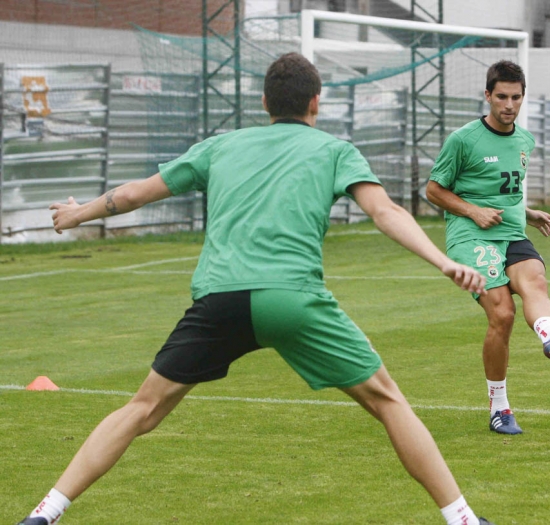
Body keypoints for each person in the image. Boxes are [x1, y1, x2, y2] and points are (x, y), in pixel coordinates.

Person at [17, 53, 497, 525]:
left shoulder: (220, 146)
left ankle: (45, 513)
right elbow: (385, 212)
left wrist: (77, 214)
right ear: (316, 101)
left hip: (219, 301)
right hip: (292, 301)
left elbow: (133, 193)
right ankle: (463, 520)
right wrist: (444, 261)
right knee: (387, 401)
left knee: (142, 409)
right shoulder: (335, 151)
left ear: (265, 102)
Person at [425, 60, 550, 436]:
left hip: (510, 231)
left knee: (535, 279)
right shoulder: (463, 140)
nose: (509, 105)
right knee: (503, 314)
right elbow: (433, 190)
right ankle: (499, 407)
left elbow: (504, 190)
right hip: (471, 236)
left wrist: (529, 213)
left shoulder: (525, 141)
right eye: (502, 97)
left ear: (523, 97)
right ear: (487, 96)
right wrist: (473, 211)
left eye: (516, 97)